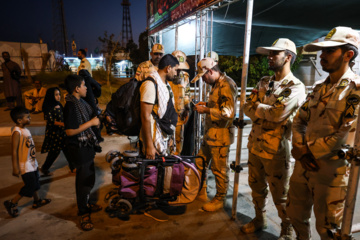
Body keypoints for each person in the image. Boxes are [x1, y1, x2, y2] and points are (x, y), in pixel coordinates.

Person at [287, 26, 360, 240]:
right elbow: (299, 119)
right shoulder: (319, 87)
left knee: (328, 229)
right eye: (322, 51)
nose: (322, 56)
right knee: (295, 214)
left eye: (330, 51)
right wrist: (299, 148)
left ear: (348, 54)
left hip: (331, 172)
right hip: (303, 163)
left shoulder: (355, 90)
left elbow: (344, 135)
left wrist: (306, 150)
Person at [242, 38, 306, 238]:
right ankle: (259, 219)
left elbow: (278, 114)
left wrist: (258, 108)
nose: (269, 57)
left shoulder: (295, 86)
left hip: (276, 151)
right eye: (269, 53)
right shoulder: (264, 81)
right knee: (256, 188)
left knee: (281, 195)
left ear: (288, 57)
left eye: (274, 54)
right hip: (255, 145)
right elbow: (246, 107)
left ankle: (287, 229)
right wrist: (264, 109)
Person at [192, 57, 237, 212]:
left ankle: (220, 199)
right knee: (200, 161)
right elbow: (219, 105)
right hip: (211, 134)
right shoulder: (217, 84)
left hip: (220, 136)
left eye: (204, 76)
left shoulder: (226, 85)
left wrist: (206, 110)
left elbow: (228, 113)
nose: (203, 80)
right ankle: (201, 190)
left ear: (210, 71)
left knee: (219, 169)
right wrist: (206, 105)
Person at [63, 74, 102, 231]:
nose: (86, 88)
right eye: (84, 85)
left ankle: (86, 204)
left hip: (86, 145)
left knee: (89, 177)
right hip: (78, 148)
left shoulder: (81, 102)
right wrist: (91, 123)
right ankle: (83, 212)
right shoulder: (71, 106)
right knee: (83, 181)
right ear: (77, 88)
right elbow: (70, 131)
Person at [3, 107, 51, 218]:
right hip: (25, 165)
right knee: (30, 185)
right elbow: (14, 151)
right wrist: (15, 167)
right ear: (19, 120)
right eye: (27, 117)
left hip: (32, 163)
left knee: (35, 183)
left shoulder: (25, 129)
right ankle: (12, 202)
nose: (30, 118)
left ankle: (37, 201)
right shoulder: (17, 132)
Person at [140, 54, 179, 159]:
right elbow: (145, 116)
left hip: (163, 136)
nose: (176, 73)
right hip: (152, 140)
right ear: (168, 68)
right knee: (152, 173)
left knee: (164, 172)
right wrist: (149, 145)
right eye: (175, 70)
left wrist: (169, 135)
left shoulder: (165, 85)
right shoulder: (150, 84)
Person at [40, 87, 75, 176]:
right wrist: (64, 124)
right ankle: (44, 168)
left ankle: (73, 167)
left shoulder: (59, 104)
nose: (58, 96)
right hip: (54, 133)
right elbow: (51, 121)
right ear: (51, 96)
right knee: (54, 152)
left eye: (59, 94)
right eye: (56, 95)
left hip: (62, 132)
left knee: (67, 149)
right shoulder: (48, 107)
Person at [168, 50, 191, 155]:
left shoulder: (185, 76)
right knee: (167, 142)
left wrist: (187, 107)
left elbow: (187, 94)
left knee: (179, 141)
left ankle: (176, 165)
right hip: (166, 117)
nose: (179, 70)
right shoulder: (165, 77)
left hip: (180, 116)